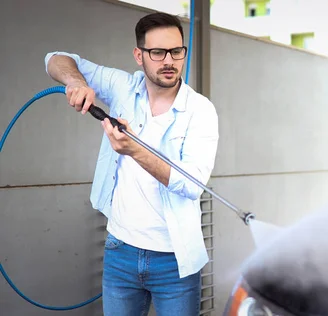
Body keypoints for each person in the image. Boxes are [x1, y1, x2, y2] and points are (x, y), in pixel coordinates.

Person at [44, 12, 219, 315]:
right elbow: (55, 58)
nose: (169, 61)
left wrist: (134, 150)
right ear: (139, 55)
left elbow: (192, 185)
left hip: (174, 260)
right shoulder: (121, 86)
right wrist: (76, 83)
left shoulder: (201, 111)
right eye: (157, 52)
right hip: (120, 251)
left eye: (177, 51)